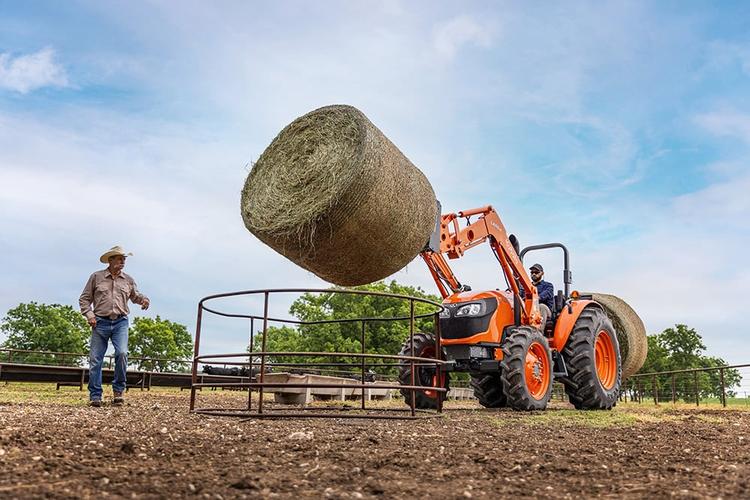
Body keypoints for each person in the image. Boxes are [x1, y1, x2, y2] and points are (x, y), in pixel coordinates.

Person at [79, 246, 150, 407]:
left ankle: (118, 391)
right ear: (110, 260)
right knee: (96, 359)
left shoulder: (128, 280)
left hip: (120, 322)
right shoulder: (96, 277)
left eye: (124, 259)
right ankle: (95, 395)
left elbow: (135, 296)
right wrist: (89, 315)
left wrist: (144, 300)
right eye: (119, 258)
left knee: (122, 353)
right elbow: (84, 299)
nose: (123, 261)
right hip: (99, 321)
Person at [529, 263, 554, 329]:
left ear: (542, 273)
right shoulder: (527, 286)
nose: (534, 274)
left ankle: (538, 332)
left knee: (541, 306)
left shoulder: (548, 286)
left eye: (536, 272)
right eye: (532, 272)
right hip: (528, 310)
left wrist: (535, 297)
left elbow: (544, 295)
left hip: (545, 311)